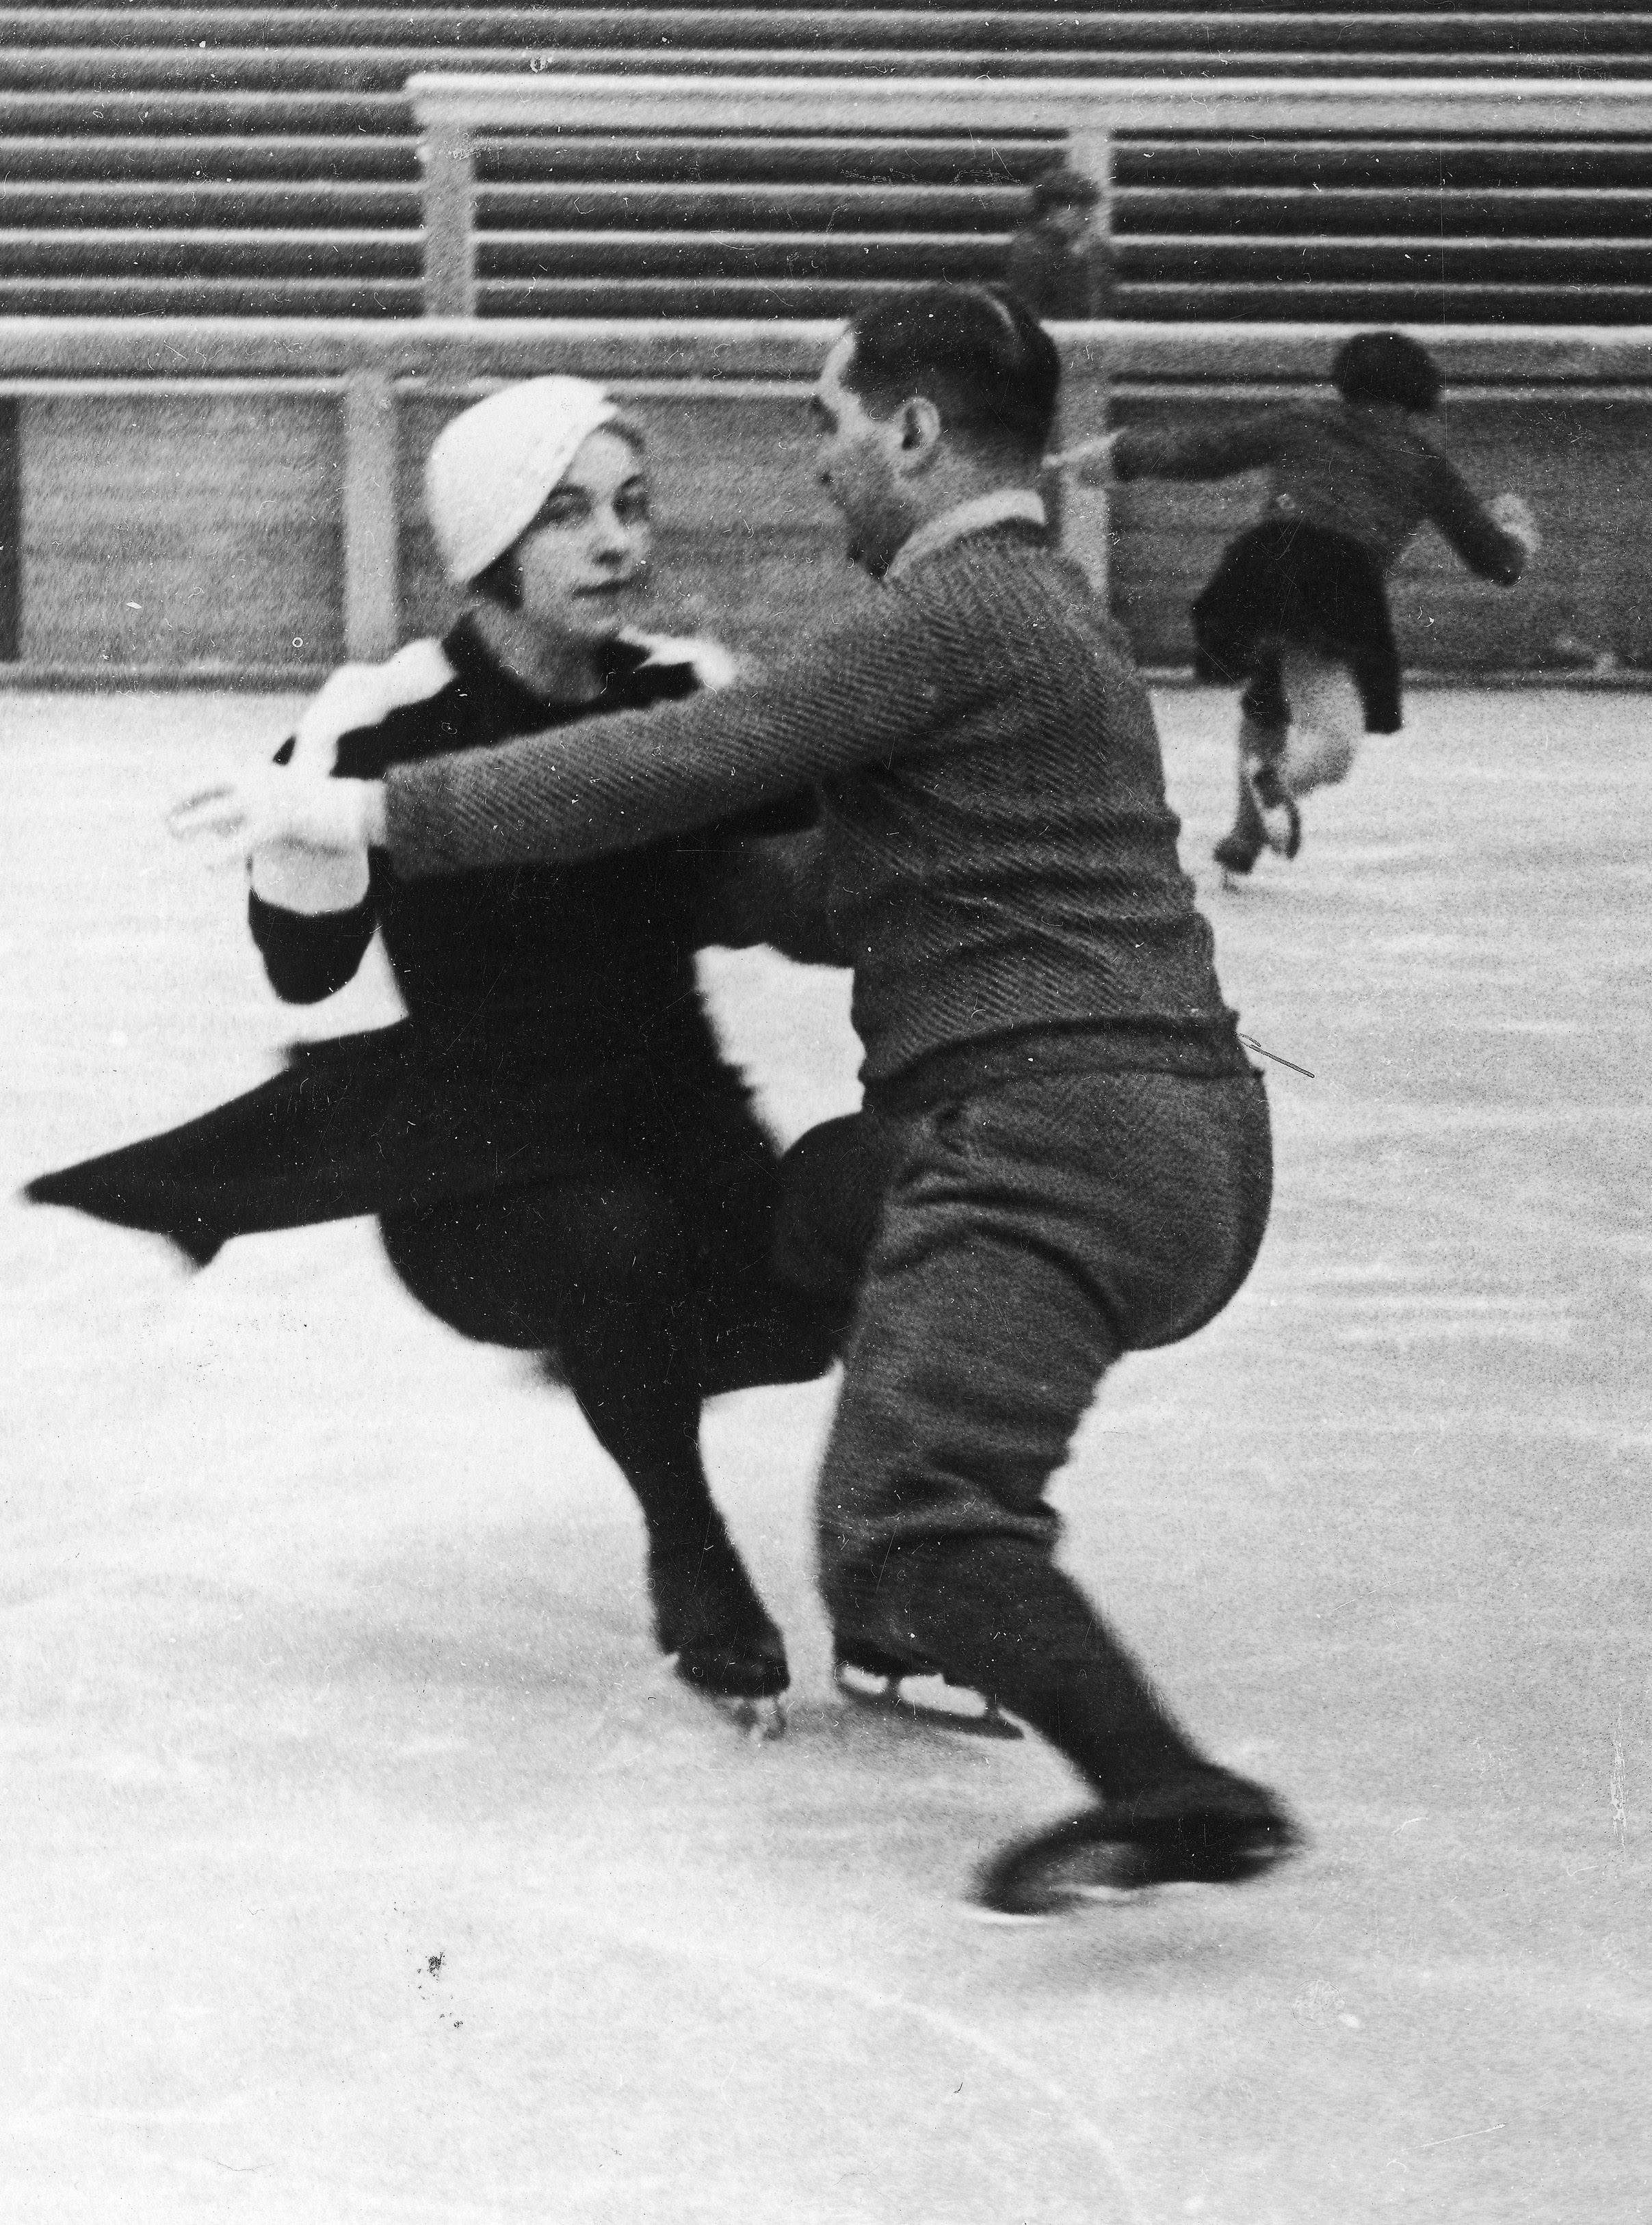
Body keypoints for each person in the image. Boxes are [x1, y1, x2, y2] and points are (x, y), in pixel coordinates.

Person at [173, 287, 1303, 1919]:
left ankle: (1162, 1779)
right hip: (1177, 1136)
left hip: (1056, 1133)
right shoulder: (1041, 613)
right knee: (842, 1194)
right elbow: (846, 884)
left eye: (829, 428)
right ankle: (914, 1605)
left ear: (913, 433)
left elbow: (686, 758)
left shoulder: (950, 612)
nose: (816, 467)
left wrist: (358, 802)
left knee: (904, 1518)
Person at [28, 377, 845, 1734]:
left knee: (800, 1310)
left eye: (632, 508)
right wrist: (307, 833)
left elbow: (814, 902)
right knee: (612, 1243)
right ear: (487, 542)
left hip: (677, 1123)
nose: (616, 545)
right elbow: (308, 970)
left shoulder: (691, 698)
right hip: (479, 1169)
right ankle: (687, 1545)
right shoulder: (388, 713)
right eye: (568, 514)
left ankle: (650, 1379)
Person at [1053, 330, 1538, 874]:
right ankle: (1276, 784)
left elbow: (1202, 451)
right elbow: (1490, 559)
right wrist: (1518, 536)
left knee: (1267, 697)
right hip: (1335, 577)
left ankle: (1245, 834)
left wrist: (1115, 456)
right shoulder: (1422, 456)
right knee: (1334, 740)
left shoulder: (1304, 420)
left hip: (1263, 561)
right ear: (1420, 390)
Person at [1002, 163, 1114, 321]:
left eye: (1088, 211)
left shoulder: (1095, 249)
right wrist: (1073, 261)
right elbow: (1029, 310)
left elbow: (1102, 305)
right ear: (1052, 210)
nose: (1087, 219)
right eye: (1078, 211)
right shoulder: (1029, 249)